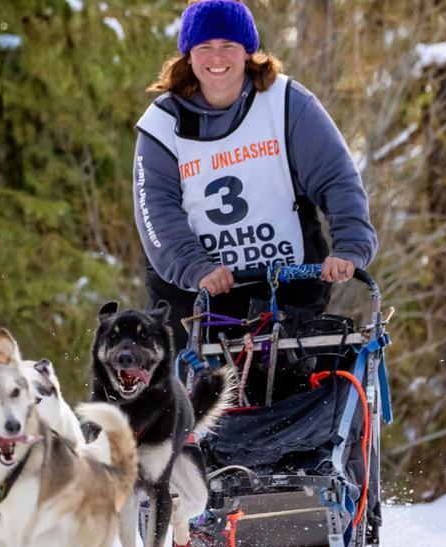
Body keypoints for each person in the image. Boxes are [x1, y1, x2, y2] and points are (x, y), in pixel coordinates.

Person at [133, 0, 377, 351]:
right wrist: (195, 268)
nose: (217, 58)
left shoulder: (287, 102)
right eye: (205, 47)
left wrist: (351, 247)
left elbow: (336, 179)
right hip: (197, 296)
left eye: (228, 46)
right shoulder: (162, 124)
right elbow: (154, 210)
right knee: (197, 396)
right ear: (188, 55)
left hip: (287, 283)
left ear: (248, 51)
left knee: (296, 389)